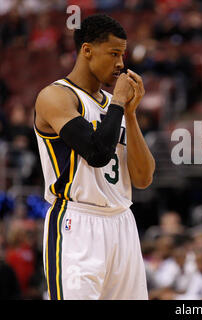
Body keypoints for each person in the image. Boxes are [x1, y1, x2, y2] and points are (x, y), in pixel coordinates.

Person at [33, 14, 155, 300]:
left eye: (123, 55)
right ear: (87, 50)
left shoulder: (117, 109)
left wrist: (131, 115)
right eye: (114, 54)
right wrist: (119, 103)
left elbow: (143, 178)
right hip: (77, 224)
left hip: (123, 222)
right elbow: (97, 153)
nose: (121, 64)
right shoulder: (56, 97)